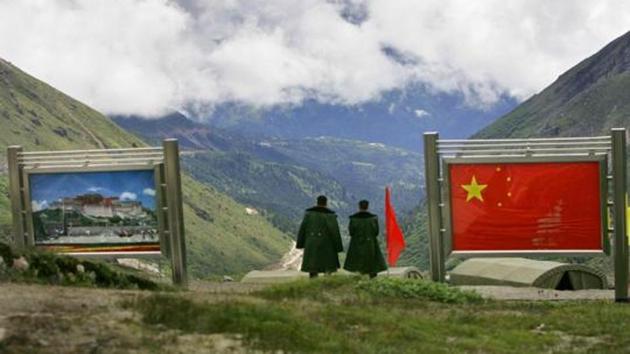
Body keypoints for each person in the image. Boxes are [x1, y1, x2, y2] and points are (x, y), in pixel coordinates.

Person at [297, 195, 343, 278]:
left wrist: (300, 243)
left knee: (313, 266)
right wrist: (338, 247)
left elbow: (302, 229)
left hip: (311, 243)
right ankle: (327, 284)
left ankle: (313, 284)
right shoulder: (330, 216)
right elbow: (335, 232)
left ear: (317, 202)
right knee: (328, 265)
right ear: (326, 203)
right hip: (327, 244)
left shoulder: (308, 214)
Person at [343, 200, 387, 278]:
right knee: (371, 260)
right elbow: (376, 232)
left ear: (359, 207)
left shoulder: (353, 219)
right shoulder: (373, 218)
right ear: (367, 207)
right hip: (370, 243)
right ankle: (372, 276)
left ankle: (359, 275)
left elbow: (351, 232)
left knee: (357, 260)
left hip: (356, 243)